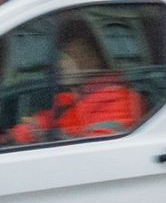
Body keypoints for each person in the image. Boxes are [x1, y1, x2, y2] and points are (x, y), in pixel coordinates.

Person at [5, 20, 145, 147]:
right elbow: (39, 124)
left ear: (88, 60)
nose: (58, 65)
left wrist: (44, 137)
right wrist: (15, 136)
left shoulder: (119, 101)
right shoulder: (72, 98)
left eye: (65, 57)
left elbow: (95, 152)